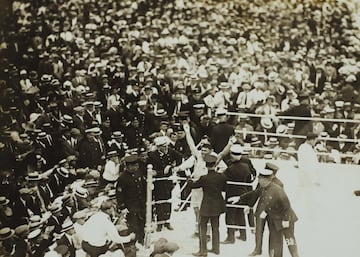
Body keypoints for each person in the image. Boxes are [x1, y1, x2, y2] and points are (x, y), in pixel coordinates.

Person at [174, 121, 227, 237]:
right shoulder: (198, 155)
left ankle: (206, 233)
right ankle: (198, 230)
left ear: (210, 150)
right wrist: (187, 131)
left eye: (205, 150)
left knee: (205, 212)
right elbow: (191, 147)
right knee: (196, 209)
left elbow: (224, 167)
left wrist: (214, 176)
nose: (203, 152)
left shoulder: (214, 158)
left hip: (206, 188)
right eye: (202, 149)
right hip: (195, 186)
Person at [189, 154, 227, 256]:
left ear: (206, 165)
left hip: (206, 205)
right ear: (215, 165)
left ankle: (203, 251)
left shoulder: (204, 178)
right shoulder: (222, 177)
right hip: (218, 204)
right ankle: (216, 249)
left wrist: (189, 179)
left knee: (202, 227)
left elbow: (193, 186)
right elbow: (224, 188)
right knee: (216, 227)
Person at [147, 136, 183, 232]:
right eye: (164, 146)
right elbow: (153, 171)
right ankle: (159, 222)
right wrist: (162, 171)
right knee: (159, 202)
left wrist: (173, 166)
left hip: (168, 180)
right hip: (158, 181)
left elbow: (179, 156)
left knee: (168, 201)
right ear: (158, 147)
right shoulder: (152, 155)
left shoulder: (170, 151)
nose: (166, 148)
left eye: (166, 146)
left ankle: (167, 221)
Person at [222, 144, 253, 244]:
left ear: (231, 155)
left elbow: (224, 181)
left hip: (232, 193)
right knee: (240, 214)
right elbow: (249, 179)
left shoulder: (230, 168)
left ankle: (230, 237)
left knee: (230, 215)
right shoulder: (246, 166)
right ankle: (243, 235)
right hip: (243, 192)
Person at [116, 154, 146, 245]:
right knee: (133, 225)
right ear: (128, 166)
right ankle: (133, 242)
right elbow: (119, 194)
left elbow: (143, 187)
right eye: (134, 165)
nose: (136, 167)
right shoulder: (122, 178)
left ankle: (141, 239)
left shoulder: (138, 173)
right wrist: (123, 207)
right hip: (130, 205)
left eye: (137, 165)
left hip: (140, 203)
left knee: (142, 222)